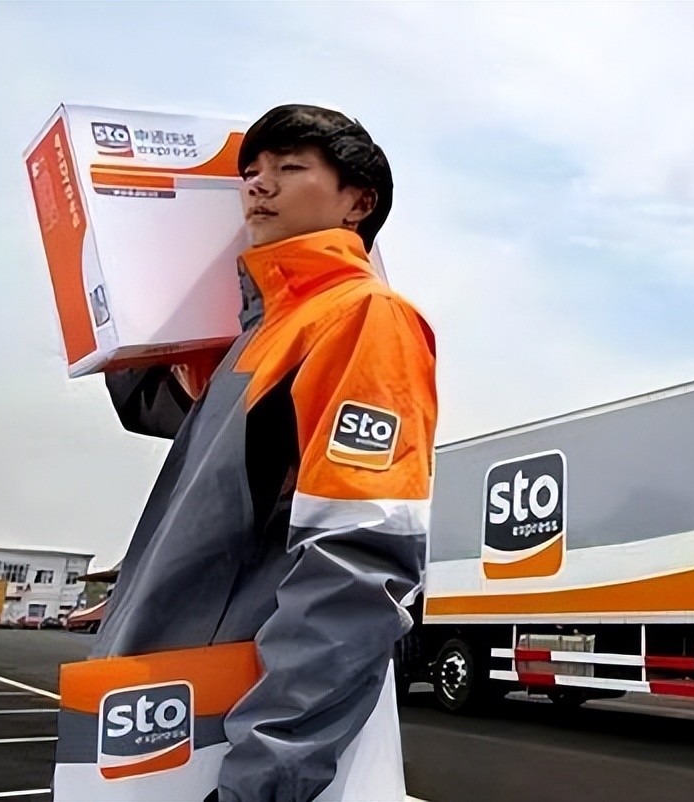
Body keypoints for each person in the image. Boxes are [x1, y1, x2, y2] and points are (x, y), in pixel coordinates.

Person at [92, 105, 437, 802]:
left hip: (226, 739)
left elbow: (357, 567)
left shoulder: (364, 316)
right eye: (250, 171)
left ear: (358, 202)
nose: (258, 184)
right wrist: (121, 310)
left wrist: (263, 778)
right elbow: (177, 431)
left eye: (289, 167)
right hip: (164, 709)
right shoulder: (258, 336)